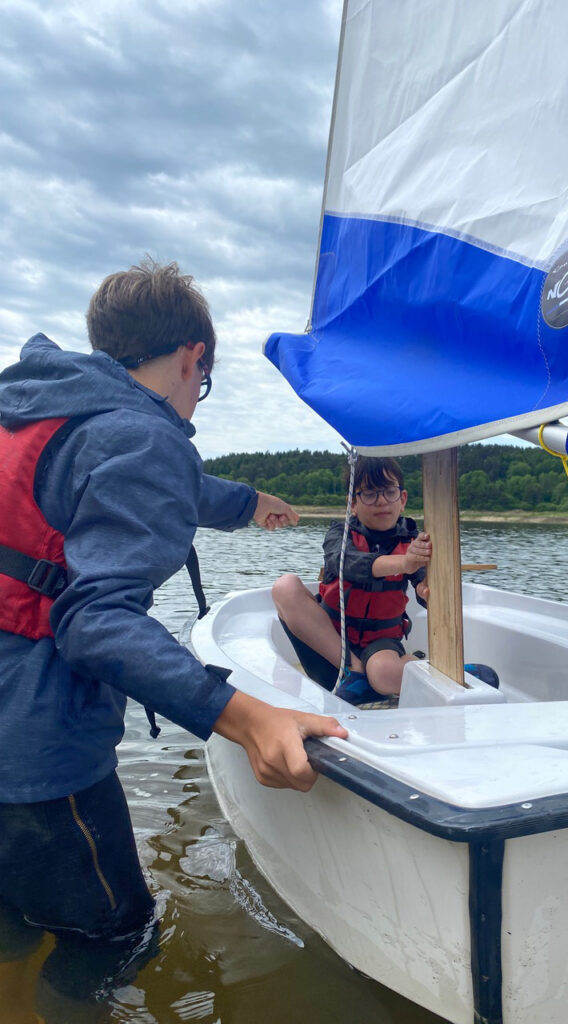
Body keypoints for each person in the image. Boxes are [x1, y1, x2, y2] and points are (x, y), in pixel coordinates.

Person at [0, 259, 347, 1012]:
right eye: (204, 382)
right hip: (33, 753)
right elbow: (94, 620)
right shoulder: (140, 436)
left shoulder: (36, 406)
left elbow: (133, 477)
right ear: (192, 357)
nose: (196, 403)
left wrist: (248, 502)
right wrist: (248, 719)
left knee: (13, 924)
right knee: (114, 940)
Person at [272, 456, 432, 706]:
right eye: (369, 493)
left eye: (389, 492)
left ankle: (441, 674)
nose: (381, 500)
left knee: (383, 673)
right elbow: (346, 564)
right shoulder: (339, 534)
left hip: (380, 645)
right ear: (353, 504)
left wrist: (426, 589)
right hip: (328, 644)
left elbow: (423, 584)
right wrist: (403, 562)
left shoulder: (413, 542)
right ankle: (354, 671)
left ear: (402, 500)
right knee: (285, 586)